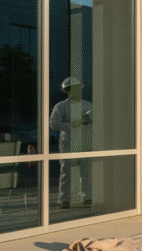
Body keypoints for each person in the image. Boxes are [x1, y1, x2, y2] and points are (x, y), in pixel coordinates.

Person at [49, 77, 93, 209]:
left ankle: (87, 197)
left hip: (85, 142)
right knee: (66, 172)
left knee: (87, 171)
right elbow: (54, 124)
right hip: (68, 143)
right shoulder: (61, 107)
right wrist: (73, 124)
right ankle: (64, 199)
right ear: (67, 91)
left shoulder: (88, 105)